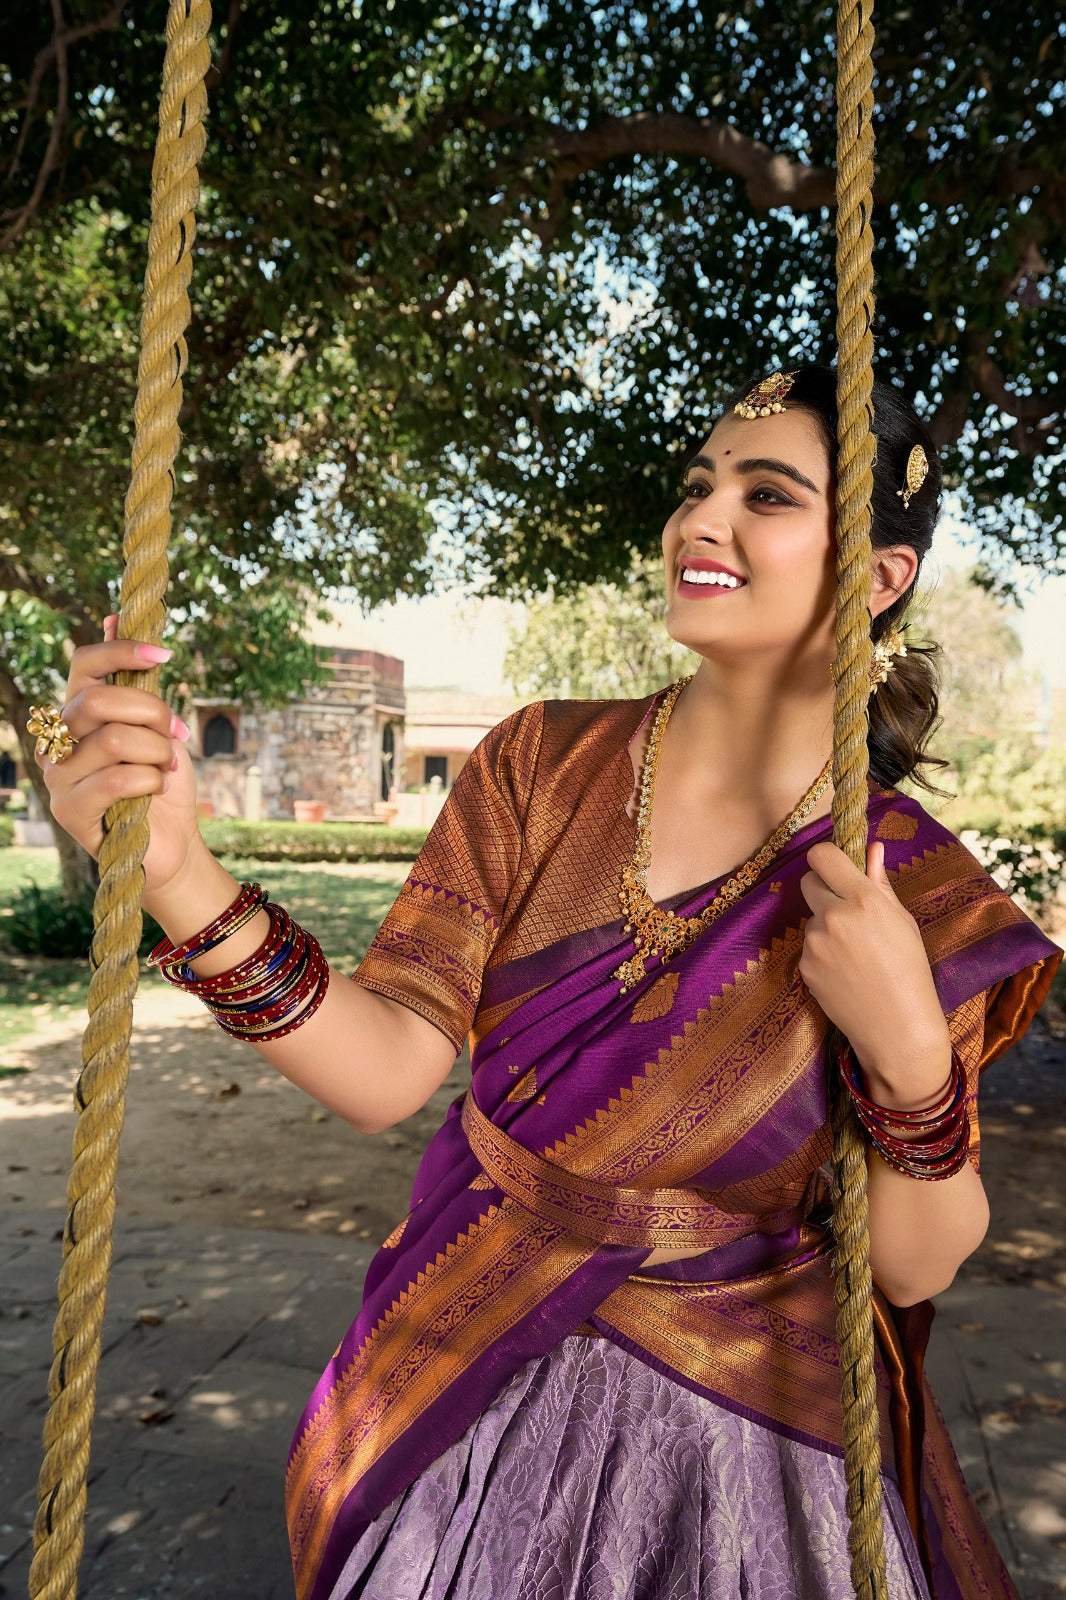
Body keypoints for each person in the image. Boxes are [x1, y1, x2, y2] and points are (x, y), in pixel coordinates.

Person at [40, 364, 1060, 1600]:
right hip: (465, 1362)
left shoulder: (908, 886)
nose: (701, 520)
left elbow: (908, 1265)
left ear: (878, 577)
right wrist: (179, 876)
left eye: (767, 494)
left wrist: (908, 1052)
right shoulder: (542, 761)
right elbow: (387, 1068)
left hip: (746, 1431)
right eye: (698, 486)